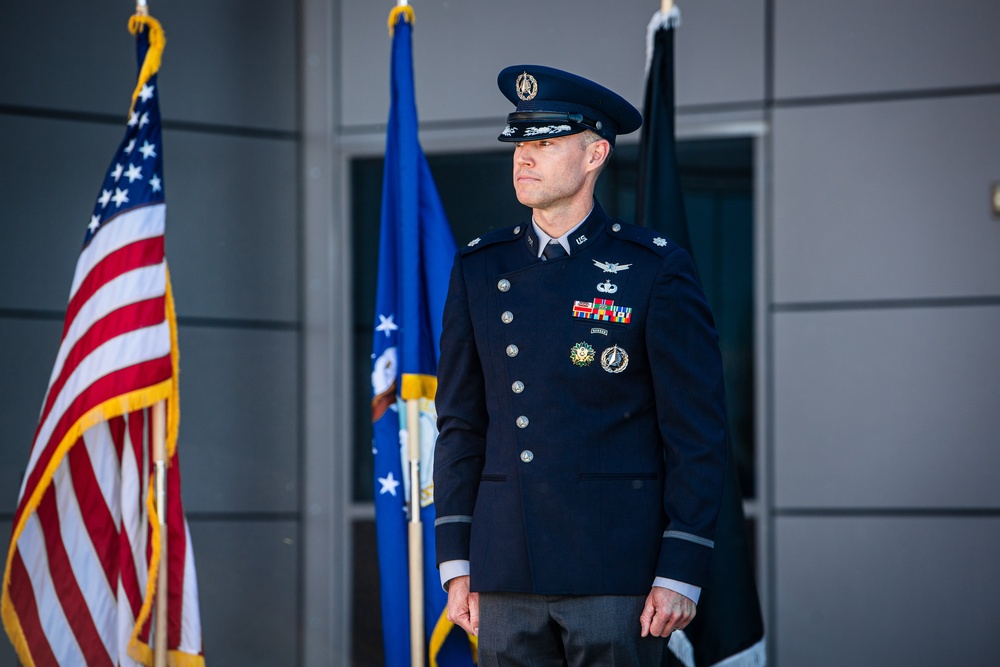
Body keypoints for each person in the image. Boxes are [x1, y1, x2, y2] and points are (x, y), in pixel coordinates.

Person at [433, 64, 729, 666]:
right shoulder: (479, 267)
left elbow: (695, 433)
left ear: (595, 153)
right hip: (505, 568)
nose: (524, 158)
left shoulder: (653, 268)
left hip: (617, 570)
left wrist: (682, 568)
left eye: (544, 143)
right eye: (519, 144)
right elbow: (461, 424)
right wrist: (457, 563)